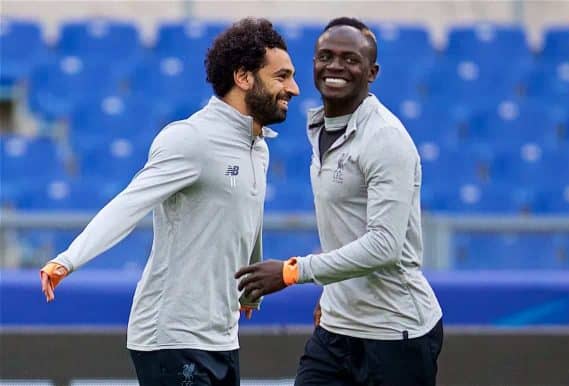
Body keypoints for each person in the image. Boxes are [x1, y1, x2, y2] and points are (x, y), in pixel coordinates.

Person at [40, 17, 299, 386]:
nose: (295, 88)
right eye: (282, 76)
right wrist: (68, 259)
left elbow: (248, 220)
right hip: (170, 338)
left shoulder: (259, 148)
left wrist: (250, 290)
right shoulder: (190, 139)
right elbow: (129, 204)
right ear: (243, 77)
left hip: (223, 338)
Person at [235, 17, 443, 386]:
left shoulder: (386, 139)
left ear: (372, 72)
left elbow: (384, 246)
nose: (334, 66)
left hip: (396, 334)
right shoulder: (317, 126)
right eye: (325, 56)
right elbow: (346, 227)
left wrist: (291, 272)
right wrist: (334, 293)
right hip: (336, 329)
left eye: (350, 59)